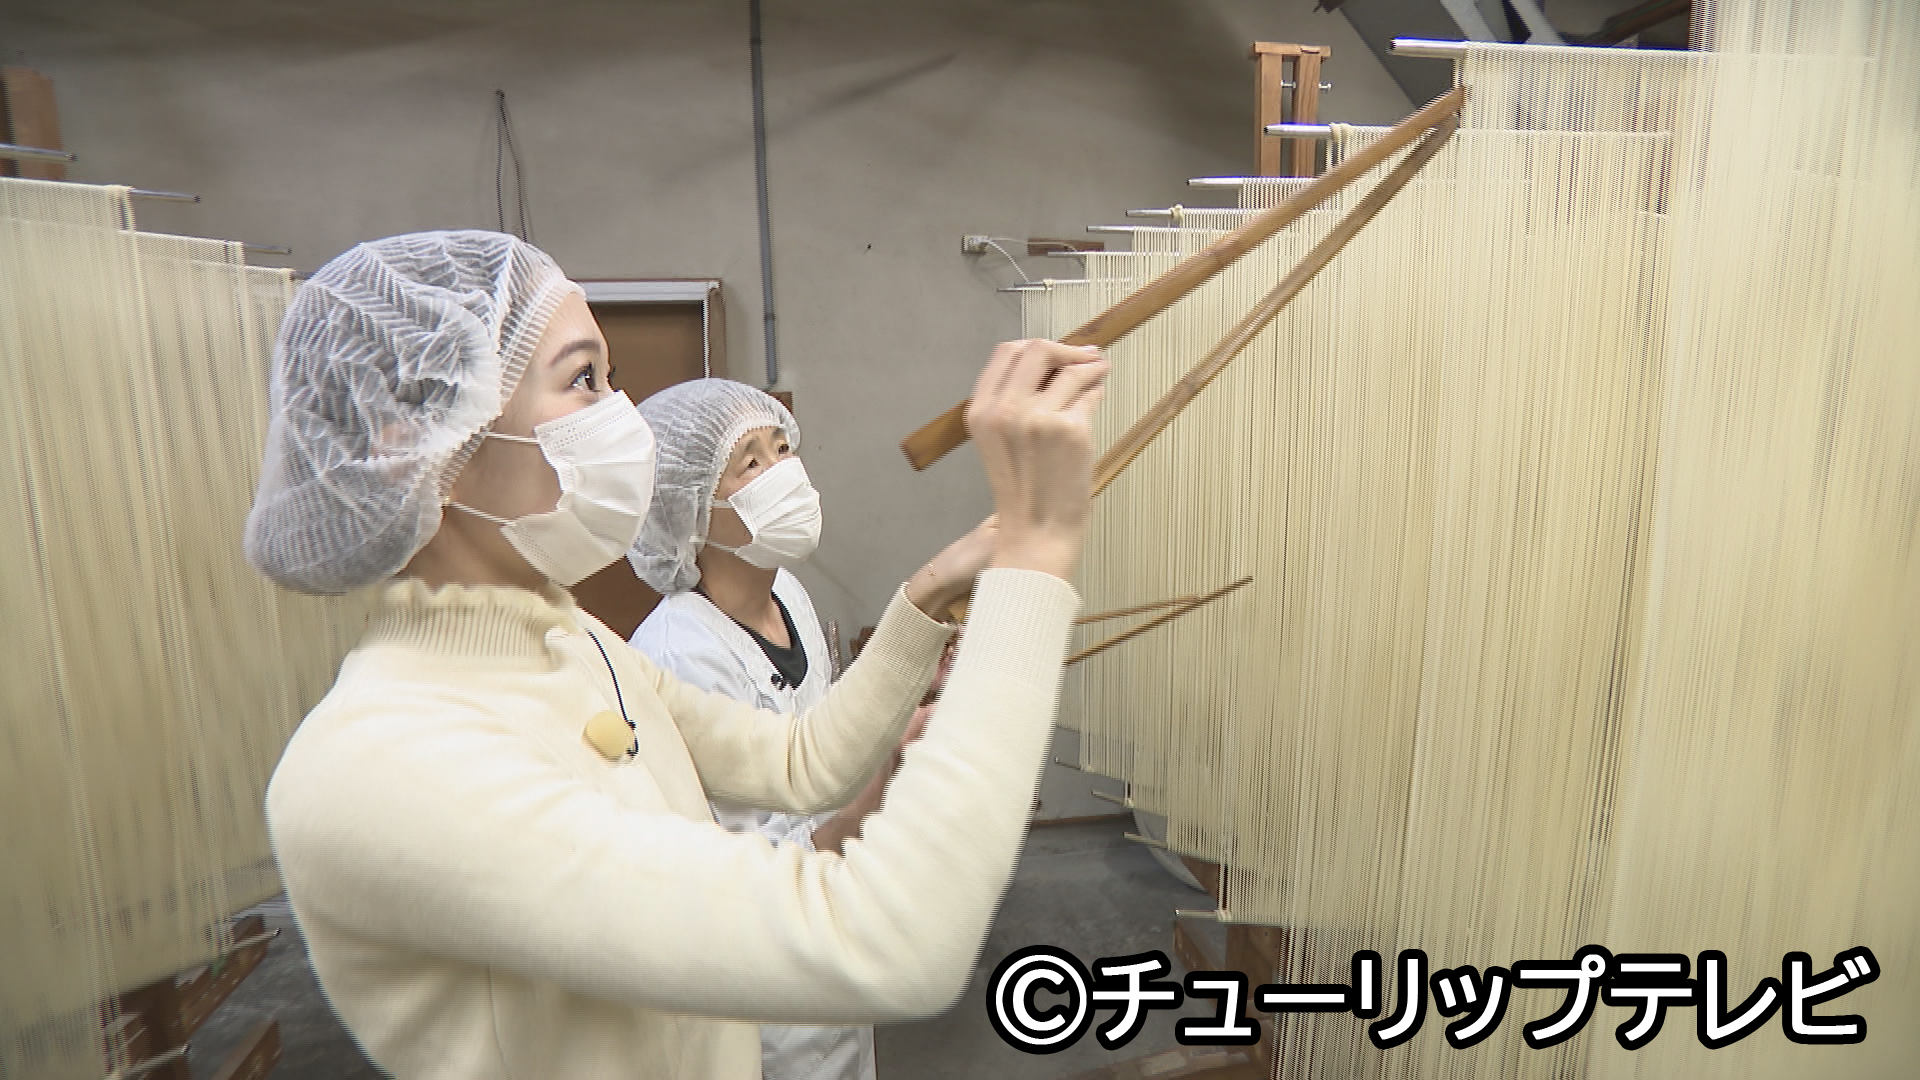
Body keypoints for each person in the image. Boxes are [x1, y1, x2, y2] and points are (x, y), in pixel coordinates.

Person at [245, 230, 1107, 1079]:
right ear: (421, 446)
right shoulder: (381, 763)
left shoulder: (572, 642)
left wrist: (936, 588)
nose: (625, 417)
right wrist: (1037, 551)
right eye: (583, 379)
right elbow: (880, 940)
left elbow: (799, 760)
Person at [626, 378, 937, 1080]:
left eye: (782, 448)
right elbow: (754, 873)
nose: (783, 472)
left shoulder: (787, 594)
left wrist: (907, 700)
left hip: (834, 937)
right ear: (691, 510)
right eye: (751, 463)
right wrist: (884, 782)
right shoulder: (679, 654)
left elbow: (822, 736)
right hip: (763, 990)